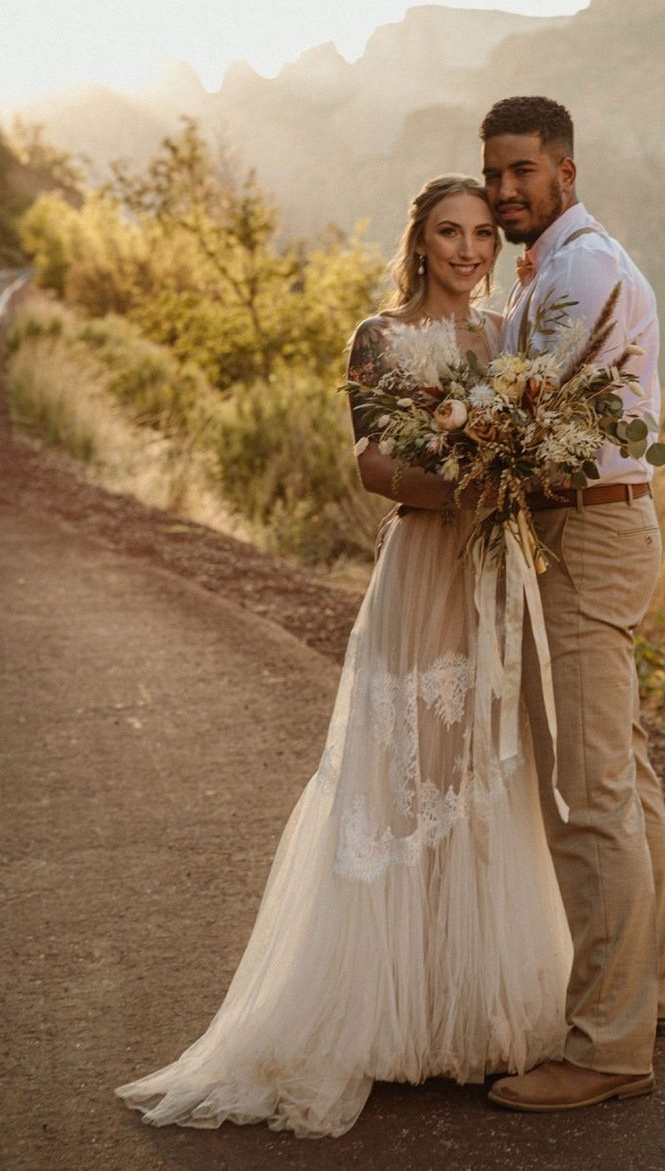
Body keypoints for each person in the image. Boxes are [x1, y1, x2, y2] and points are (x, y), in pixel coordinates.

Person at [115, 176, 571, 1139]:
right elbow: (372, 465)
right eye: (449, 232)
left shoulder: (505, 339)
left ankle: (470, 1012)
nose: (467, 249)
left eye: (481, 234)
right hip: (425, 562)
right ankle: (379, 1013)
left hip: (492, 572)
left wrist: (518, 473)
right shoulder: (379, 335)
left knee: (485, 771)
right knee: (406, 772)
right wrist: (466, 488)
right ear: (421, 240)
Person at [479, 97, 665, 1113]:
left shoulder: (584, 268)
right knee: (621, 771)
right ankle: (652, 995)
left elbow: (526, 403)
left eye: (523, 171)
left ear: (565, 170)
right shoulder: (550, 265)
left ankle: (607, 1048)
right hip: (584, 528)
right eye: (494, 174)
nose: (505, 190)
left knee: (588, 791)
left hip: (591, 532)